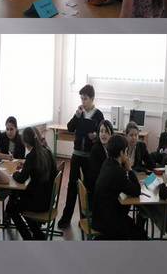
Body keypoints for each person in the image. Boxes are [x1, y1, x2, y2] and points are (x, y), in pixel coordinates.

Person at [57, 84, 104, 229]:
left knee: (88, 187)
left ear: (92, 98)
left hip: (90, 157)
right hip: (77, 155)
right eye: (82, 99)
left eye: (85, 99)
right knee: (72, 187)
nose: (83, 101)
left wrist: (96, 136)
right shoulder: (80, 112)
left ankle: (86, 218)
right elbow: (70, 128)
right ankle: (66, 218)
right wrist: (76, 116)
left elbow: (103, 134)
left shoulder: (98, 115)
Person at [6, 127, 57, 240]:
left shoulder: (31, 156)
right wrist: (26, 166)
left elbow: (21, 179)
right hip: (49, 199)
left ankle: (28, 238)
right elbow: (37, 168)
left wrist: (14, 173)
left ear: (25, 142)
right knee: (18, 203)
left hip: (39, 203)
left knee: (11, 208)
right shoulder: (46, 151)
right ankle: (38, 234)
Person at [92, 134, 145, 240]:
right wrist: (130, 169)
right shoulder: (117, 172)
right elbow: (136, 191)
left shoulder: (107, 163)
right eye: (126, 151)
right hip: (109, 222)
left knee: (134, 226)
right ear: (121, 152)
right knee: (141, 234)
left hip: (99, 216)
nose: (127, 154)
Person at [86, 120, 114, 195]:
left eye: (106, 132)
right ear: (98, 134)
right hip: (97, 189)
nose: (103, 134)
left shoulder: (112, 149)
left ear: (111, 134)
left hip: (105, 185)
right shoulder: (95, 149)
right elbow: (97, 174)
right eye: (101, 131)